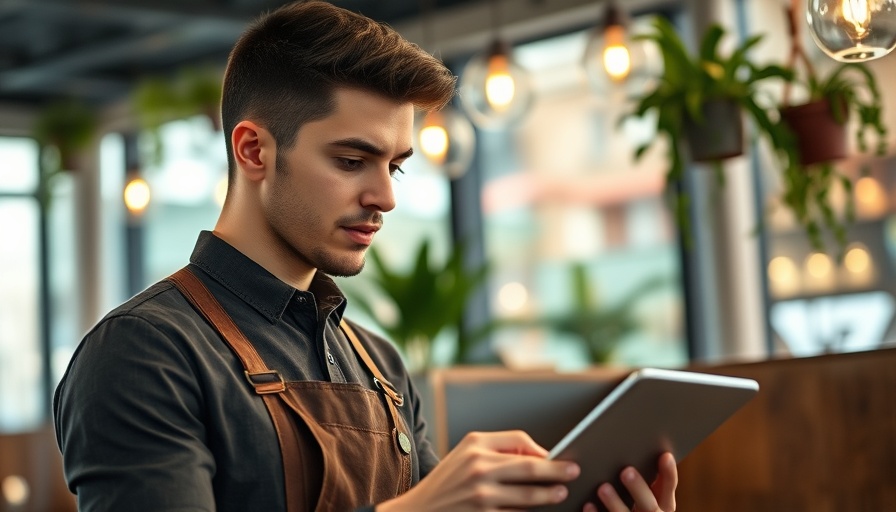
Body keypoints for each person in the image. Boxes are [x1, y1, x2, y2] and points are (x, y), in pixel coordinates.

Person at [53, 1, 678, 511]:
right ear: (253, 151)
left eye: (395, 166)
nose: (383, 196)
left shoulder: (379, 363)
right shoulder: (143, 353)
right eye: (352, 161)